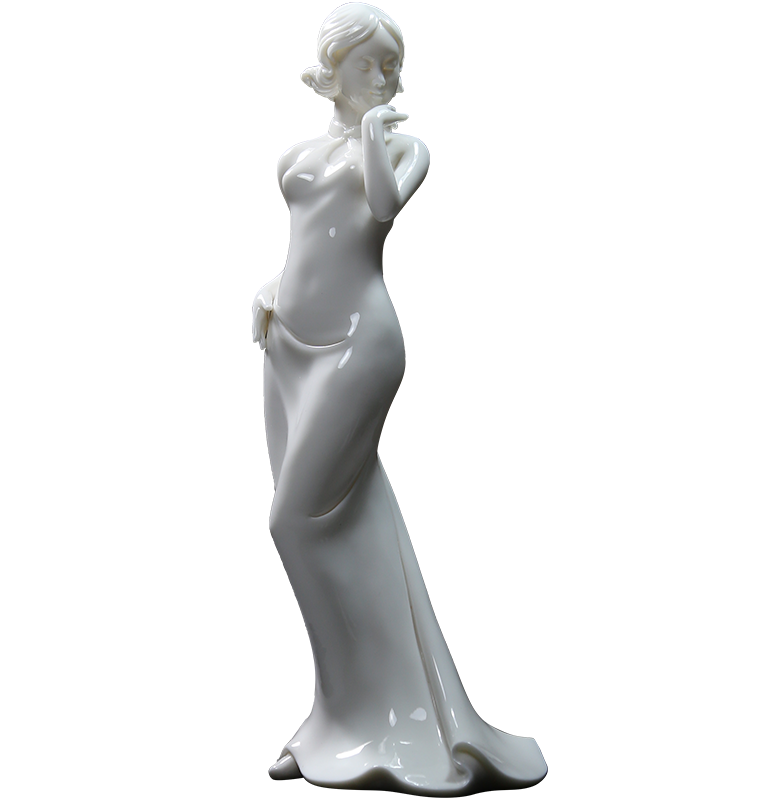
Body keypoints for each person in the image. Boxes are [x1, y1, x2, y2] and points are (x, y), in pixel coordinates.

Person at [251, 4, 547, 794]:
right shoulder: (300, 153)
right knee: (352, 523)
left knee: (294, 521)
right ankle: (340, 716)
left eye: (390, 65)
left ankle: (388, 717)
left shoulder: (405, 149)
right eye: (368, 64)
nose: (383, 77)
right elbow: (310, 239)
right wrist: (273, 286)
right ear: (335, 67)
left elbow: (378, 209)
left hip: (359, 346)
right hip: (290, 345)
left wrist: (374, 133)